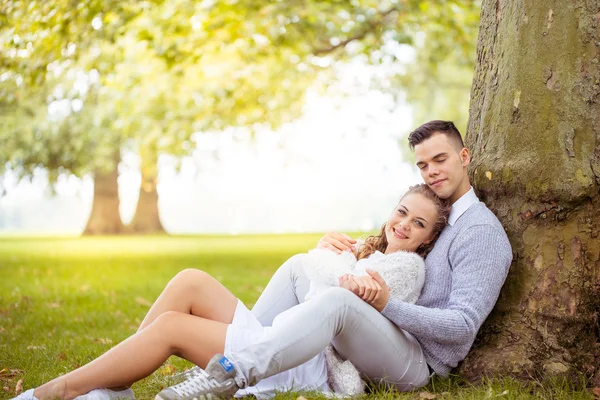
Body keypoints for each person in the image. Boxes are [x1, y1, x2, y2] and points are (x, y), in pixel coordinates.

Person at [158, 120, 513, 399]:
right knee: (300, 265)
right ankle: (232, 354)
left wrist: (387, 304)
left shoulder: (479, 230)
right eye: (423, 165)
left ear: (464, 157)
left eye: (441, 159)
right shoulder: (441, 216)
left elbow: (463, 326)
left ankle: (235, 371)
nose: (431, 171)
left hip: (419, 361)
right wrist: (340, 249)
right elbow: (398, 249)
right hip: (387, 334)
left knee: (340, 302)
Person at [13, 183, 449, 400]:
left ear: (427, 240)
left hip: (303, 359)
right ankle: (114, 387)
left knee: (170, 328)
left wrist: (333, 263)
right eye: (402, 212)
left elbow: (341, 302)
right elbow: (321, 279)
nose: (404, 225)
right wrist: (332, 255)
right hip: (280, 334)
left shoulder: (407, 267)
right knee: (190, 280)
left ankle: (58, 392)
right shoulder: (365, 249)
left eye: (418, 224)